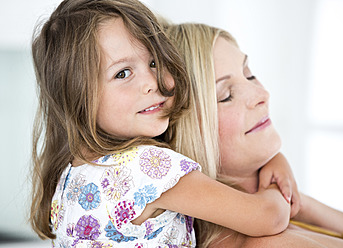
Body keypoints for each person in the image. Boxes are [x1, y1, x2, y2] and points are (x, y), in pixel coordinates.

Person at [29, 0, 301, 247]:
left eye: (155, 62)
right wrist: (276, 184)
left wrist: (272, 160)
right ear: (77, 96)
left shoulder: (72, 176)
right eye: (123, 73)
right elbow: (268, 218)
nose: (152, 82)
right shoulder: (149, 169)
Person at [164, 22, 343, 248]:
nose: (262, 94)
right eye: (226, 95)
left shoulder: (288, 209)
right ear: (187, 131)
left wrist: (289, 197)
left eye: (249, 75)